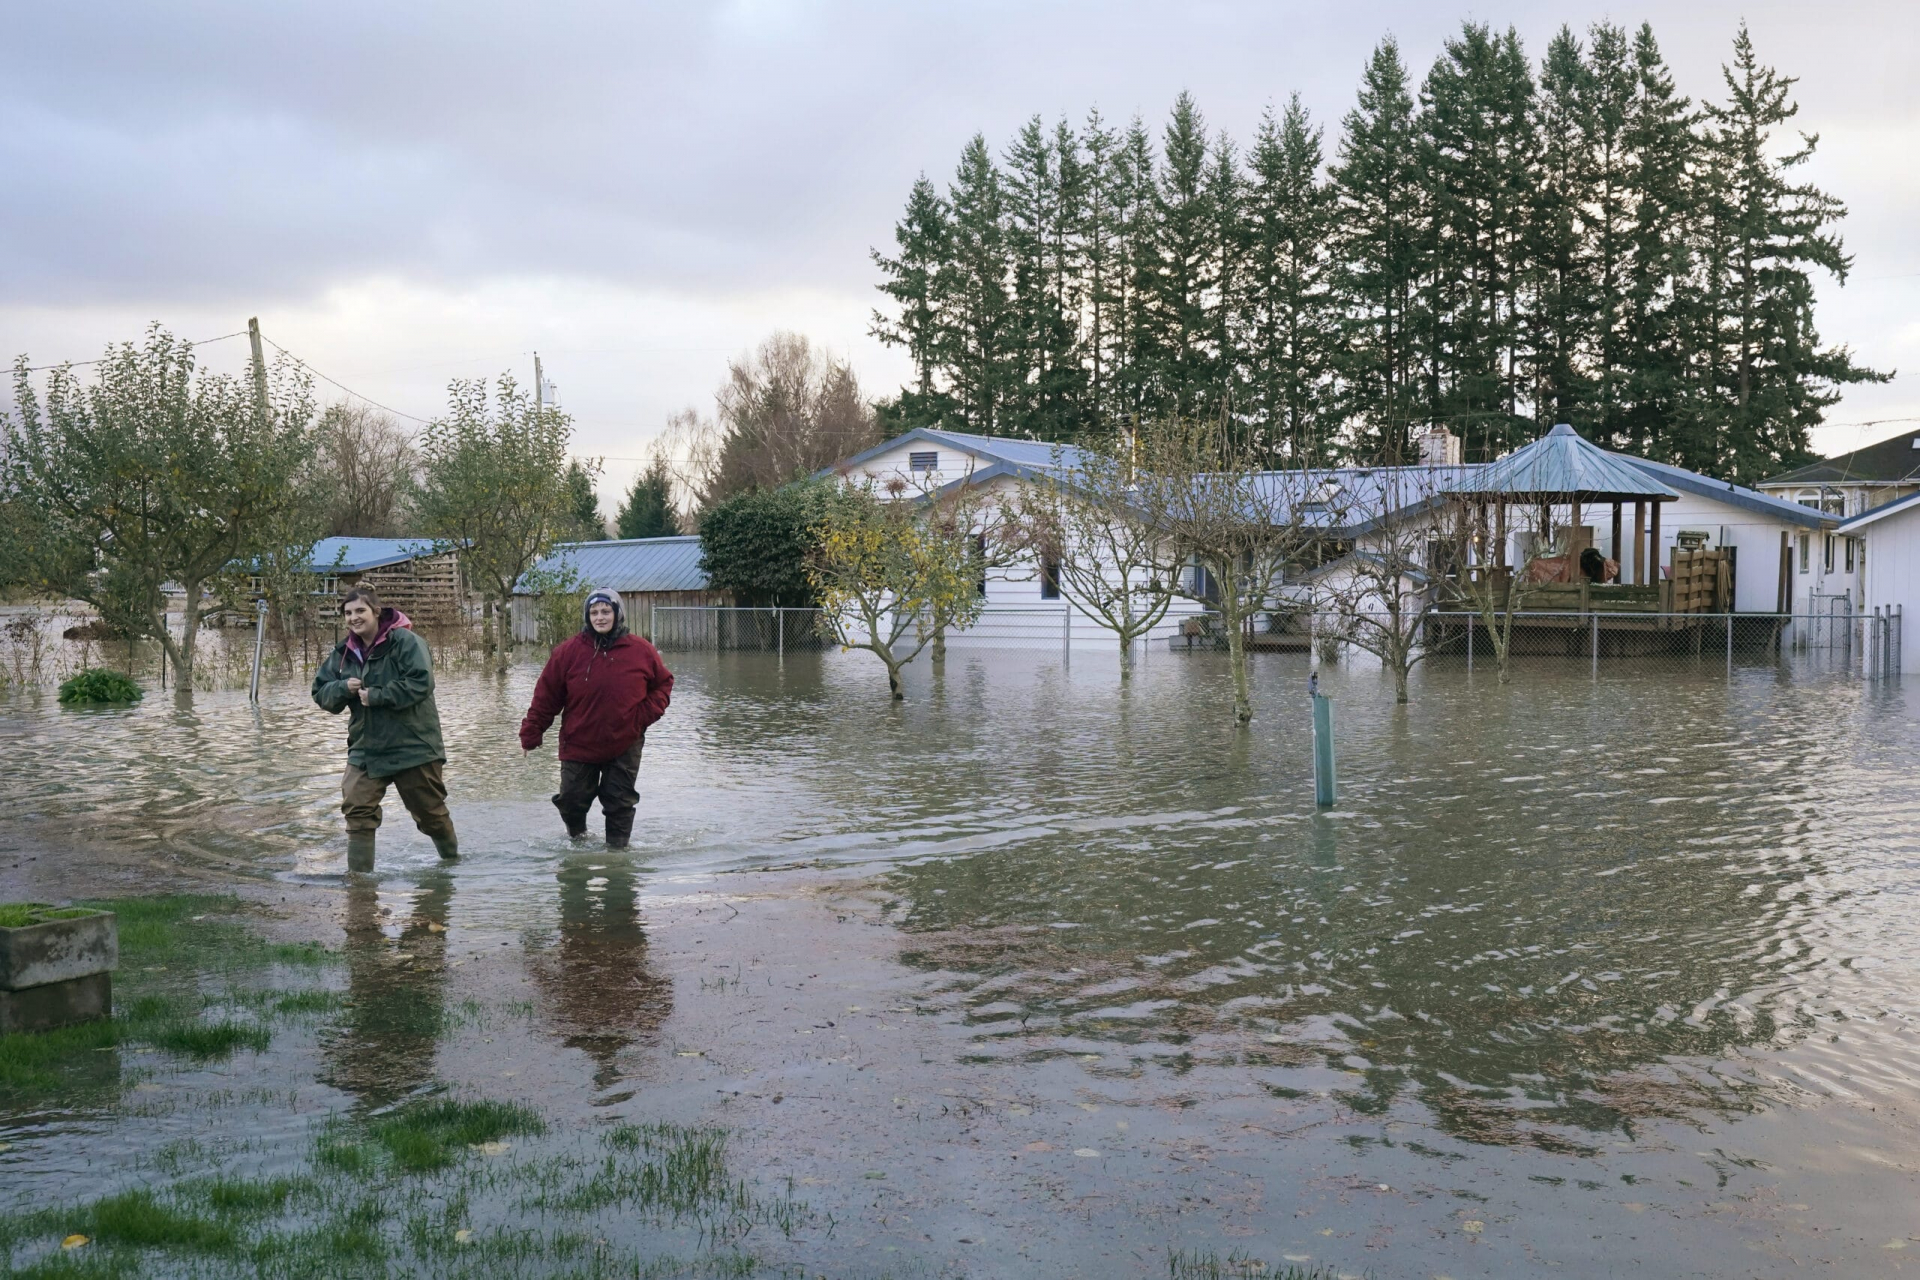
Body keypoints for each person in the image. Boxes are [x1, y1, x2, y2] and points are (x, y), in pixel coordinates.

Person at [312, 588, 458, 872]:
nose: (354, 618)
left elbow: (421, 682)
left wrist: (377, 695)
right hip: (366, 747)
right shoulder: (343, 652)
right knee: (357, 810)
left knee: (431, 816)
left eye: (360, 611)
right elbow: (320, 692)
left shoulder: (406, 642)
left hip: (413, 746)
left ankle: (452, 867)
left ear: (376, 612)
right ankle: (359, 886)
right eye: (348, 613)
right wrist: (343, 688)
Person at [519, 588, 673, 848]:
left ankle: (617, 856)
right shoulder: (568, 652)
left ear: (618, 613)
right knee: (570, 799)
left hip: (625, 741)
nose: (600, 617)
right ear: (587, 616)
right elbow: (546, 696)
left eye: (605, 611)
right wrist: (531, 733)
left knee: (620, 802)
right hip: (579, 741)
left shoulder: (641, 650)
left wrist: (642, 717)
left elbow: (664, 684)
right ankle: (578, 842)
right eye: (594, 612)